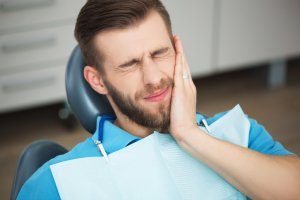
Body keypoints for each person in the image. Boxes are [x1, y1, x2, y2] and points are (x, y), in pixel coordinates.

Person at [17, 0, 300, 199]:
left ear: (178, 50)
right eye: (130, 64)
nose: (153, 78)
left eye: (159, 53)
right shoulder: (59, 181)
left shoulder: (239, 132)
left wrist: (191, 136)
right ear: (97, 81)